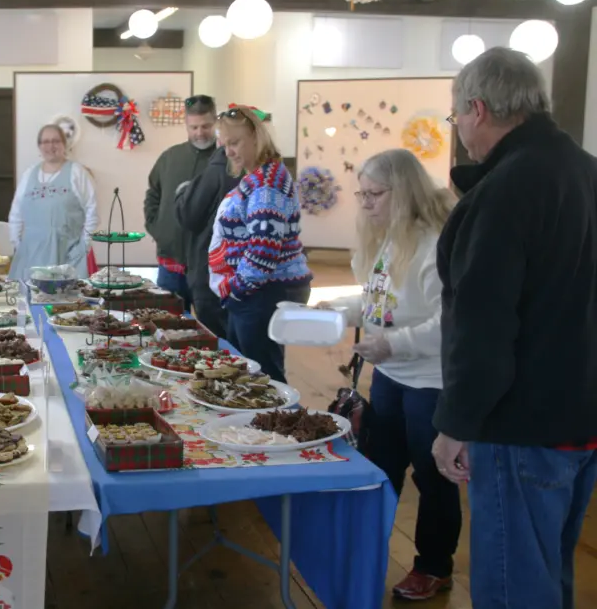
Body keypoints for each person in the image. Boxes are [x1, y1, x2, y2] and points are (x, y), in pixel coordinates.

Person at [431, 47, 597, 609]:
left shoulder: (506, 189)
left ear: (478, 109)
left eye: (456, 119)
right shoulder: (585, 169)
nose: (460, 133)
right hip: (580, 413)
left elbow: (485, 322)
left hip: (520, 422)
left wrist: (457, 422)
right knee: (550, 572)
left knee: (514, 586)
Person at [317, 149, 459, 601]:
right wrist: (336, 308)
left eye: (374, 193)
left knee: (433, 478)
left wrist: (393, 344)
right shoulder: (387, 240)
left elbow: (450, 322)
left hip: (429, 382)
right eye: (362, 193)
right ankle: (366, 548)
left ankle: (433, 566)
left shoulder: (435, 241)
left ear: (405, 192)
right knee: (382, 467)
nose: (365, 202)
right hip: (390, 375)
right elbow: (380, 306)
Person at [208, 105, 311, 383]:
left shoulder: (266, 185)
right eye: (224, 144)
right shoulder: (262, 176)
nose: (228, 152)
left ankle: (272, 426)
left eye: (234, 142)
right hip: (258, 294)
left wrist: (235, 292)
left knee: (262, 379)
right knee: (252, 374)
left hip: (262, 295)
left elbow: (263, 254)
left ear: (257, 136)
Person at [145, 95, 218, 311]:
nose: (199, 132)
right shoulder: (170, 157)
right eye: (193, 127)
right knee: (167, 326)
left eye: (206, 126)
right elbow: (153, 193)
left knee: (212, 332)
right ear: (186, 125)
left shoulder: (225, 159)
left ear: (215, 122)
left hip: (209, 267)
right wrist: (157, 228)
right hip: (170, 263)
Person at [8, 124, 98, 280]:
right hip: (31, 255)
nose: (50, 146)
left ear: (64, 144)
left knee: (65, 301)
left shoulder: (77, 173)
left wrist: (84, 244)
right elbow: (16, 212)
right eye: (46, 141)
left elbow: (93, 211)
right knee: (30, 299)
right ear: (39, 146)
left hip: (66, 254)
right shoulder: (29, 174)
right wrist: (17, 243)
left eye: (56, 141)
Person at [174, 135, 236, 339]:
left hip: (210, 271)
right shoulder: (262, 174)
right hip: (242, 278)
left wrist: (183, 193)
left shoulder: (216, 171)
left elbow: (189, 215)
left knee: (216, 344)